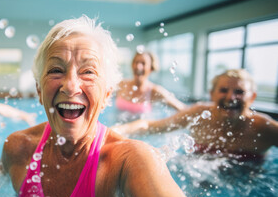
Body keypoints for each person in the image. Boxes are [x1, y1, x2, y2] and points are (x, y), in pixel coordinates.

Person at [0, 16, 202, 197]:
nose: (70, 86)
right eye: (56, 70)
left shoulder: (128, 161)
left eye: (88, 72)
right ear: (39, 90)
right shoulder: (17, 149)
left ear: (106, 95)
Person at [113, 69, 278, 160]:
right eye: (223, 90)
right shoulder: (199, 114)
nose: (230, 97)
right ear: (212, 94)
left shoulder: (265, 128)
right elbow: (151, 126)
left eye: (239, 92)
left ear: (252, 97)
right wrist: (115, 132)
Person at [116, 51, 186, 115]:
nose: (138, 67)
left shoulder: (154, 91)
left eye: (143, 63)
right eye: (136, 62)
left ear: (151, 68)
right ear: (132, 65)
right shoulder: (122, 84)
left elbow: (182, 108)